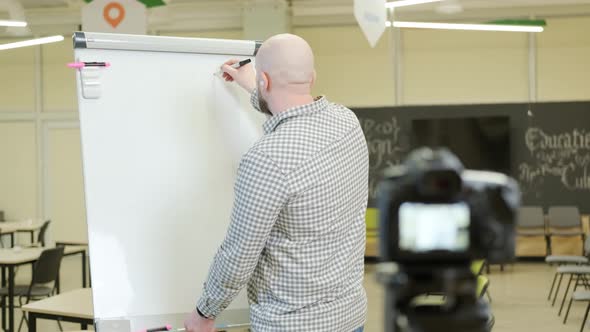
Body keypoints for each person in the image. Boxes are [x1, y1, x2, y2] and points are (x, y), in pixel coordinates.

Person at [184, 33, 369, 332]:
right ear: (312, 77)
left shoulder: (266, 159)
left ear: (266, 80)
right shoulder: (347, 123)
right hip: (349, 319)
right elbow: (296, 113)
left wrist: (205, 312)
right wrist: (253, 86)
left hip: (293, 325)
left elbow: (239, 254)